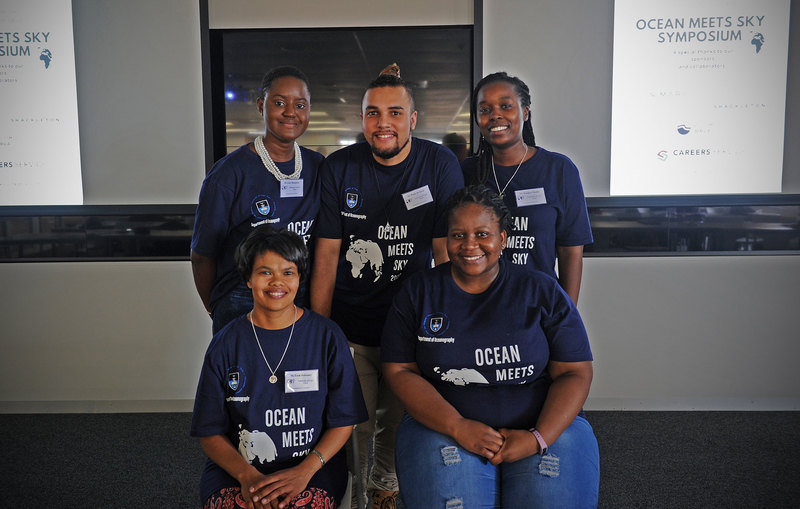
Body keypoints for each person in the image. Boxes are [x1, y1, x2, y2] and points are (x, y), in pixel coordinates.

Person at [382, 185, 599, 508]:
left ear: (503, 239)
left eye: (483, 234)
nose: (470, 245)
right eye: (458, 235)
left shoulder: (541, 289)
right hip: (442, 425)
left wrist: (538, 437)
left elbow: (574, 373)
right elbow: (399, 370)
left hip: (543, 424)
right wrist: (457, 426)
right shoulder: (418, 292)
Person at [310, 63, 464, 509]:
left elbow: (444, 253)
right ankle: (354, 496)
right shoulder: (340, 168)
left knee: (398, 422)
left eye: (395, 113)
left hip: (409, 328)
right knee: (350, 422)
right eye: (373, 113)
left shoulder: (439, 164)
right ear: (362, 120)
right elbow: (326, 256)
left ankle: (384, 489)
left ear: (412, 119)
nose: (383, 124)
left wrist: (447, 328)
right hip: (350, 324)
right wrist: (321, 333)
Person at [191, 226, 368, 509]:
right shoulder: (225, 344)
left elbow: (344, 420)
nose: (277, 282)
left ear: (299, 278)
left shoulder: (327, 336)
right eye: (265, 272)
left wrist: (304, 471)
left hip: (313, 468)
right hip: (238, 469)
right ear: (248, 279)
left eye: (288, 272)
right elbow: (209, 431)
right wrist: (246, 475)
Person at [191, 66, 324, 334]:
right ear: (261, 106)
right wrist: (216, 306)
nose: (290, 112)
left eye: (300, 105)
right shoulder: (229, 174)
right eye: (279, 103)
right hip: (243, 298)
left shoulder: (317, 166)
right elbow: (202, 255)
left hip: (301, 295)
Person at [462, 72, 593, 304]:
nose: (495, 115)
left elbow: (571, 251)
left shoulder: (559, 170)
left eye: (505, 106)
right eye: (485, 110)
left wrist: (566, 316)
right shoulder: (466, 172)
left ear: (524, 111)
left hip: (537, 307)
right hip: (477, 307)